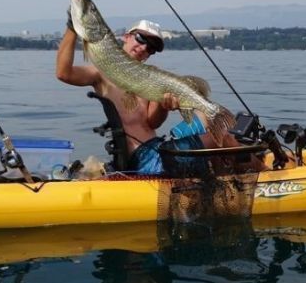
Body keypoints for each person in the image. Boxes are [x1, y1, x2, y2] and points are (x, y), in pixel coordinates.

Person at [56, 18, 262, 175]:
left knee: (207, 117)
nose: (144, 47)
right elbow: (63, 73)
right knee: (222, 136)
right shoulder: (102, 73)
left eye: (151, 47)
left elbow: (151, 122)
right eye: (141, 39)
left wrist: (164, 106)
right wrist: (72, 27)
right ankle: (268, 176)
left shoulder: (150, 79)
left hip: (159, 148)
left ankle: (227, 174)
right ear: (126, 37)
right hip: (149, 161)